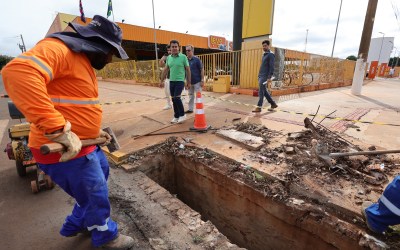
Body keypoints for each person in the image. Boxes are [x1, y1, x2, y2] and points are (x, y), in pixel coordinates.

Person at [2, 15, 135, 249]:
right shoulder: (60, 49)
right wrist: (56, 128)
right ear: (97, 44)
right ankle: (105, 237)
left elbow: (75, 104)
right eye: (110, 52)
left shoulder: (82, 61)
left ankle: (76, 224)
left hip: (84, 144)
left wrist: (95, 130)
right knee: (95, 194)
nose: (110, 58)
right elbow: (18, 72)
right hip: (62, 148)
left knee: (99, 178)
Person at [160, 40, 191, 124]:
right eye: (172, 47)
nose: (174, 48)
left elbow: (188, 70)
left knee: (177, 98)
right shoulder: (169, 58)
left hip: (180, 81)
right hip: (171, 81)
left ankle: (182, 115)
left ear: (178, 47)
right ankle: (176, 116)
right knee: (173, 99)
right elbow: (166, 69)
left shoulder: (183, 57)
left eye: (175, 46)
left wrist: (189, 82)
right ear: (170, 48)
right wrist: (161, 80)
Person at [252, 40, 278, 112]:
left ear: (269, 46)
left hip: (265, 76)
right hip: (261, 75)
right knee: (264, 91)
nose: (264, 47)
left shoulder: (270, 55)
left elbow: (271, 67)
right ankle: (273, 104)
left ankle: (259, 107)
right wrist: (259, 75)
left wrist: (269, 77)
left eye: (265, 46)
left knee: (261, 91)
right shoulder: (264, 54)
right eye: (263, 46)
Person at [185, 45, 204, 114]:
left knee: (198, 97)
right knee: (190, 96)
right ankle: (190, 109)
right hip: (190, 82)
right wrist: (186, 82)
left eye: (189, 50)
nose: (187, 52)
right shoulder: (185, 60)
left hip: (197, 82)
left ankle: (199, 111)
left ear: (192, 51)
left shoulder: (197, 59)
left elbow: (201, 69)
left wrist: (202, 80)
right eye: (186, 50)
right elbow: (185, 72)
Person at [159, 45, 172, 110]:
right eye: (168, 50)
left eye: (170, 50)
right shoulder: (167, 56)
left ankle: (178, 103)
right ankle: (168, 104)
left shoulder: (177, 57)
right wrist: (162, 60)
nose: (169, 51)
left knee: (174, 93)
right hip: (167, 77)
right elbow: (161, 64)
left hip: (174, 78)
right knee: (166, 92)